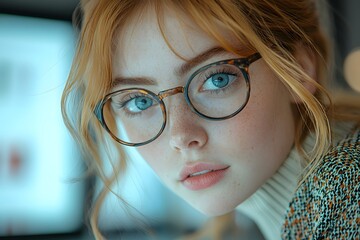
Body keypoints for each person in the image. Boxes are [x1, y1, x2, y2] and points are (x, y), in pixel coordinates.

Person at [61, 0, 360, 239]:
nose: (181, 136)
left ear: (296, 70)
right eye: (140, 101)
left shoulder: (344, 198)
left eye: (217, 79)